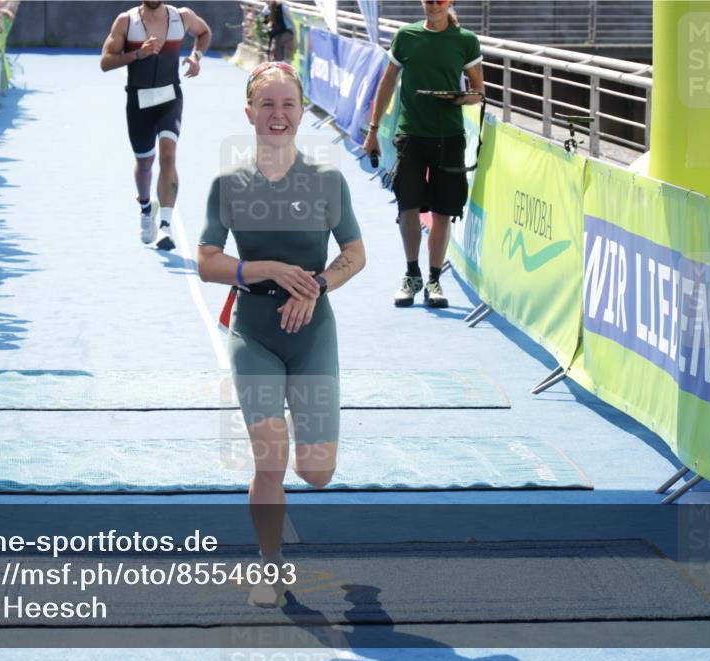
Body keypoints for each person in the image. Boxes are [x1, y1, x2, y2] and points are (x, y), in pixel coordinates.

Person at [198, 62, 366, 608]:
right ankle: (268, 568)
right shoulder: (229, 184)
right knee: (269, 461)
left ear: (301, 112)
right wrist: (265, 269)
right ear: (249, 113)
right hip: (255, 332)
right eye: (266, 105)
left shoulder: (326, 181)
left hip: (313, 330)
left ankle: (299, 420)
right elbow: (206, 261)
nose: (278, 115)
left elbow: (355, 255)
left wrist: (315, 285)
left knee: (315, 472)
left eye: (288, 104)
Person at [362, 0, 483, 308]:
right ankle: (412, 274)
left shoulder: (466, 41)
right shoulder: (405, 36)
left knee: (443, 212)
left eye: (439, 1)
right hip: (411, 135)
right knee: (407, 208)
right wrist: (373, 130)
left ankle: (434, 280)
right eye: (428, 0)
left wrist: (458, 99)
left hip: (449, 137)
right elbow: (387, 82)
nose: (433, 5)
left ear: (450, 3)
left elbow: (477, 93)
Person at [100, 1, 211, 250]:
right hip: (138, 101)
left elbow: (204, 32)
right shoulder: (126, 21)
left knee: (168, 154)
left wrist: (196, 57)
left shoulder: (181, 17)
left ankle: (165, 226)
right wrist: (138, 54)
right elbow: (105, 62)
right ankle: (145, 207)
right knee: (144, 163)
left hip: (170, 97)